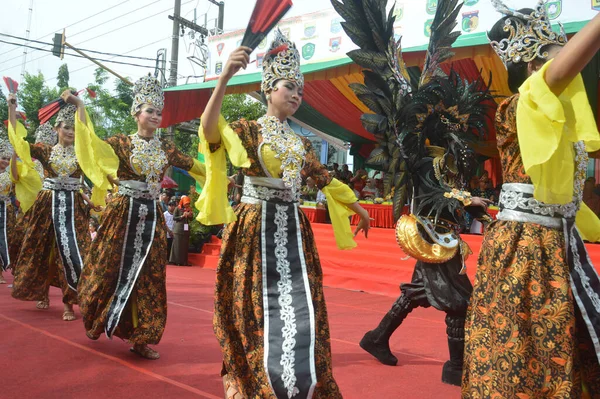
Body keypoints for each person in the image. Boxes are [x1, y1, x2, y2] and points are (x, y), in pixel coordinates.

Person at [198, 30, 371, 398]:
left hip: (293, 231)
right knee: (250, 306)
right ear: (267, 87)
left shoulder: (301, 142)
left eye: (301, 90)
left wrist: (360, 208)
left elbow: (326, 181)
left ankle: (294, 381)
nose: (296, 95)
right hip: (253, 229)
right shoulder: (247, 130)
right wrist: (224, 78)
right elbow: (210, 131)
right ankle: (242, 377)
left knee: (301, 309)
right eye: (289, 86)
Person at [334, 0, 494, 386]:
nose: (455, 132)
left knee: (419, 292)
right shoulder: (421, 159)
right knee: (460, 303)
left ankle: (377, 337)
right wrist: (464, 200)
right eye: (449, 126)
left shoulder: (447, 158)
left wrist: (479, 207)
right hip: (427, 232)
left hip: (444, 237)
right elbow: (433, 195)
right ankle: (454, 368)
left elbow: (453, 190)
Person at [462, 4, 600, 397]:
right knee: (523, 359)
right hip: (525, 248)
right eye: (558, 51)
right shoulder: (519, 106)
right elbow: (557, 74)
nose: (570, 64)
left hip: (559, 244)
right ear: (531, 64)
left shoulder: (558, 122)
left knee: (570, 345)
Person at [74, 75, 206, 360]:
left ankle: (142, 337)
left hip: (152, 218)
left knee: (151, 275)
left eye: (159, 112)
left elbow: (194, 165)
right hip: (123, 213)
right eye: (150, 111)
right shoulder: (120, 143)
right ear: (136, 113)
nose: (156, 116)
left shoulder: (166, 148)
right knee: (108, 266)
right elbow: (90, 143)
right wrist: (81, 107)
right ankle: (97, 318)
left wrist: (220, 176)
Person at [8, 95, 95, 322]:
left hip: (73, 208)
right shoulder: (46, 151)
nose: (71, 132)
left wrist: (80, 105)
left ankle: (69, 303)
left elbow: (86, 130)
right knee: (45, 250)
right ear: (57, 128)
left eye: (74, 128)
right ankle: (43, 292)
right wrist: (12, 108)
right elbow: (19, 143)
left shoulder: (82, 153)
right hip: (48, 205)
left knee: (72, 254)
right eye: (66, 127)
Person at [169, 195, 193, 266]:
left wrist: (190, 215)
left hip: (186, 229)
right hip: (178, 229)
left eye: (188, 204)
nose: (187, 205)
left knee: (185, 246)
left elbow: (191, 219)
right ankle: (176, 261)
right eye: (186, 204)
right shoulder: (178, 208)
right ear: (182, 203)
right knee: (178, 246)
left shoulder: (189, 209)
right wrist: (182, 216)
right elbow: (174, 218)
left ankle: (184, 261)